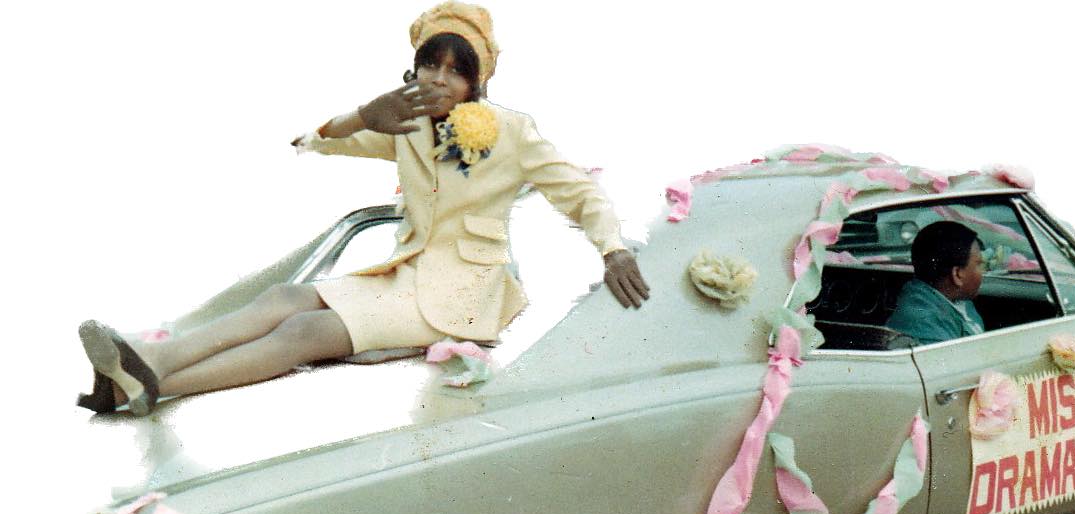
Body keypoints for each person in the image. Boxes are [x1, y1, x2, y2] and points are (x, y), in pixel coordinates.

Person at [76, 2, 649, 417]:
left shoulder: (513, 132)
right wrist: (363, 116)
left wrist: (613, 248)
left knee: (304, 331)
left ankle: (150, 378)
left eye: (456, 70)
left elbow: (579, 191)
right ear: (416, 67)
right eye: (431, 66)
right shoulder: (405, 120)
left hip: (462, 298)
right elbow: (313, 140)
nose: (440, 80)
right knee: (282, 298)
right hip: (402, 278)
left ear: (476, 80)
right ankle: (147, 367)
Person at [885, 221, 986, 346]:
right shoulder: (926, 324)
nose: (982, 271)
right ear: (957, 274)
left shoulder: (958, 301)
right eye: (979, 264)